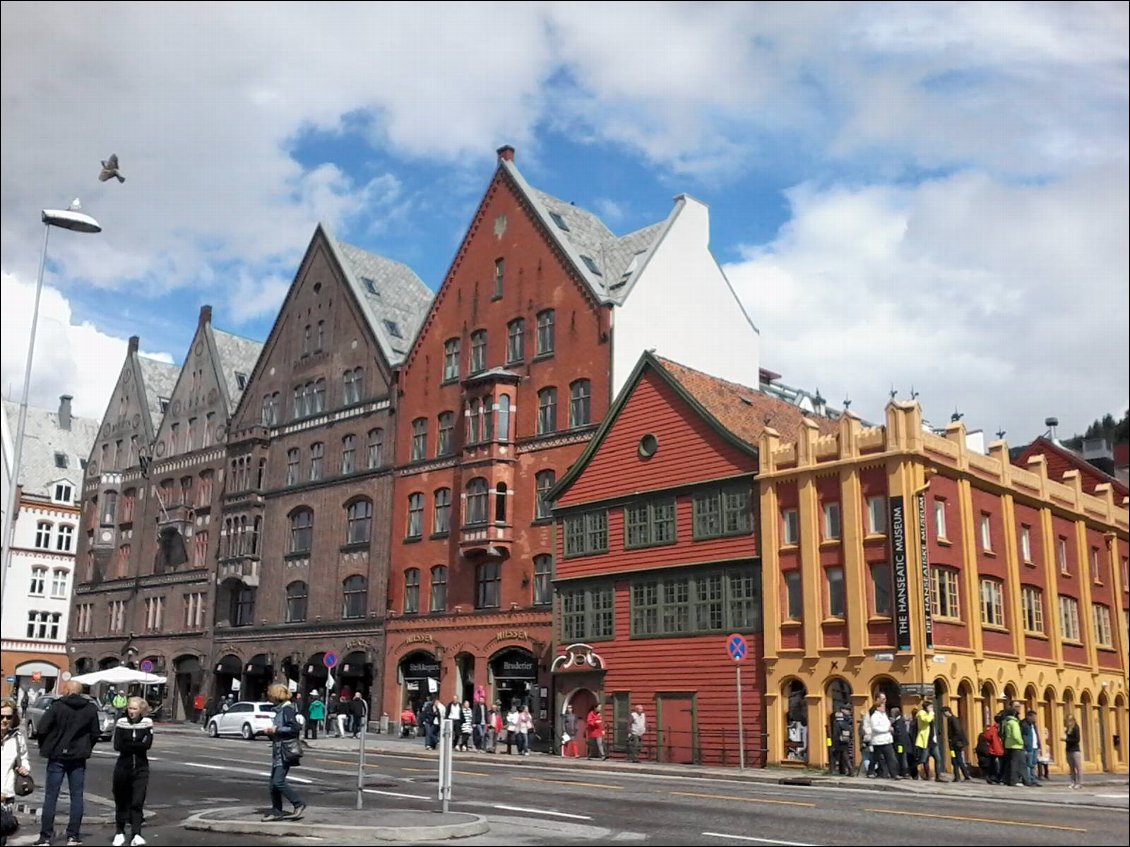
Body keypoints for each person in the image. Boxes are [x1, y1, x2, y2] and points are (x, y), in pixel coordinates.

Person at [34, 679, 101, 847]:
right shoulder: (90, 708)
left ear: (66, 689)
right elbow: (95, 732)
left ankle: (46, 837)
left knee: (51, 796)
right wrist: (86, 747)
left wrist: (46, 745)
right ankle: (73, 836)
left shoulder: (57, 706)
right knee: (77, 796)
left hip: (57, 755)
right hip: (78, 757)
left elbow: (42, 728)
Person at [111, 697, 153, 847]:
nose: (131, 711)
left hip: (141, 767)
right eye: (130, 708)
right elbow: (118, 745)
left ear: (141, 710)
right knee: (121, 800)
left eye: (135, 709)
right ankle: (119, 831)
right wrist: (136, 744)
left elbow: (147, 744)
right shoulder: (121, 722)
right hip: (123, 766)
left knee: (137, 801)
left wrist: (130, 745)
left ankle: (136, 833)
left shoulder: (147, 723)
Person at [263, 683, 305, 821]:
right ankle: (276, 811)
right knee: (272, 783)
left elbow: (295, 728)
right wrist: (271, 732)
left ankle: (298, 803)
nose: (269, 697)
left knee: (278, 781)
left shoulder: (287, 709)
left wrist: (277, 730)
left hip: (284, 751)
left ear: (276, 695)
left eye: (271, 694)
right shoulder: (280, 710)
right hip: (278, 750)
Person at [2, 700, 32, 847]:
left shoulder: (17, 737)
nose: (4, 720)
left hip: (6, 793)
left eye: (8, 717)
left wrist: (24, 768)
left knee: (2, 833)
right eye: (1, 716)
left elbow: (24, 757)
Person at [942, 706, 971, 782]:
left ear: (947, 712)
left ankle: (966, 775)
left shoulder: (953, 719)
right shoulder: (950, 719)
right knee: (954, 759)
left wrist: (952, 740)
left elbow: (958, 731)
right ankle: (957, 776)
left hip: (957, 745)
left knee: (958, 759)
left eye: (944, 713)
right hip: (953, 745)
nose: (943, 715)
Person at [830, 704, 853, 776]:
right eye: (848, 710)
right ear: (843, 709)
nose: (849, 712)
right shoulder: (845, 719)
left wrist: (834, 740)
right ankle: (844, 770)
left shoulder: (839, 718)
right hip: (843, 738)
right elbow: (848, 729)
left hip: (839, 739)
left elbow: (836, 731)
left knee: (839, 755)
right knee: (843, 755)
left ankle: (836, 770)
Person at [1064, 714, 1082, 789]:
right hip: (1069, 750)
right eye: (1067, 720)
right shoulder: (1068, 729)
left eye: (1070, 720)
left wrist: (1066, 739)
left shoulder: (1076, 728)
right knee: (1071, 767)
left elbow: (1077, 739)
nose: (1069, 722)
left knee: (1078, 767)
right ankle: (1072, 782)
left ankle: (1079, 783)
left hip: (1075, 750)